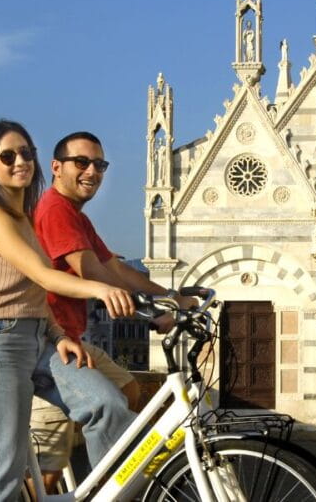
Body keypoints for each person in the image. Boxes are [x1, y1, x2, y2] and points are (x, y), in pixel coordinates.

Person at [0, 120, 137, 501]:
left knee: (106, 404)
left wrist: (57, 336)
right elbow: (44, 276)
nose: (20, 161)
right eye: (8, 156)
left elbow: (35, 292)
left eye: (26, 153)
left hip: (39, 339)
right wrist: (101, 288)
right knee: (4, 474)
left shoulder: (24, 219)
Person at [30, 131, 195, 494]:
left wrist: (170, 296)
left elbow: (117, 269)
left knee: (127, 388)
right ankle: (110, 491)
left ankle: (103, 475)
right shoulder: (55, 209)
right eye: (82, 162)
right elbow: (92, 271)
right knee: (44, 474)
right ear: (56, 167)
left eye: (100, 164)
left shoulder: (76, 217)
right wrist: (146, 311)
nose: (92, 171)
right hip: (44, 342)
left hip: (71, 342)